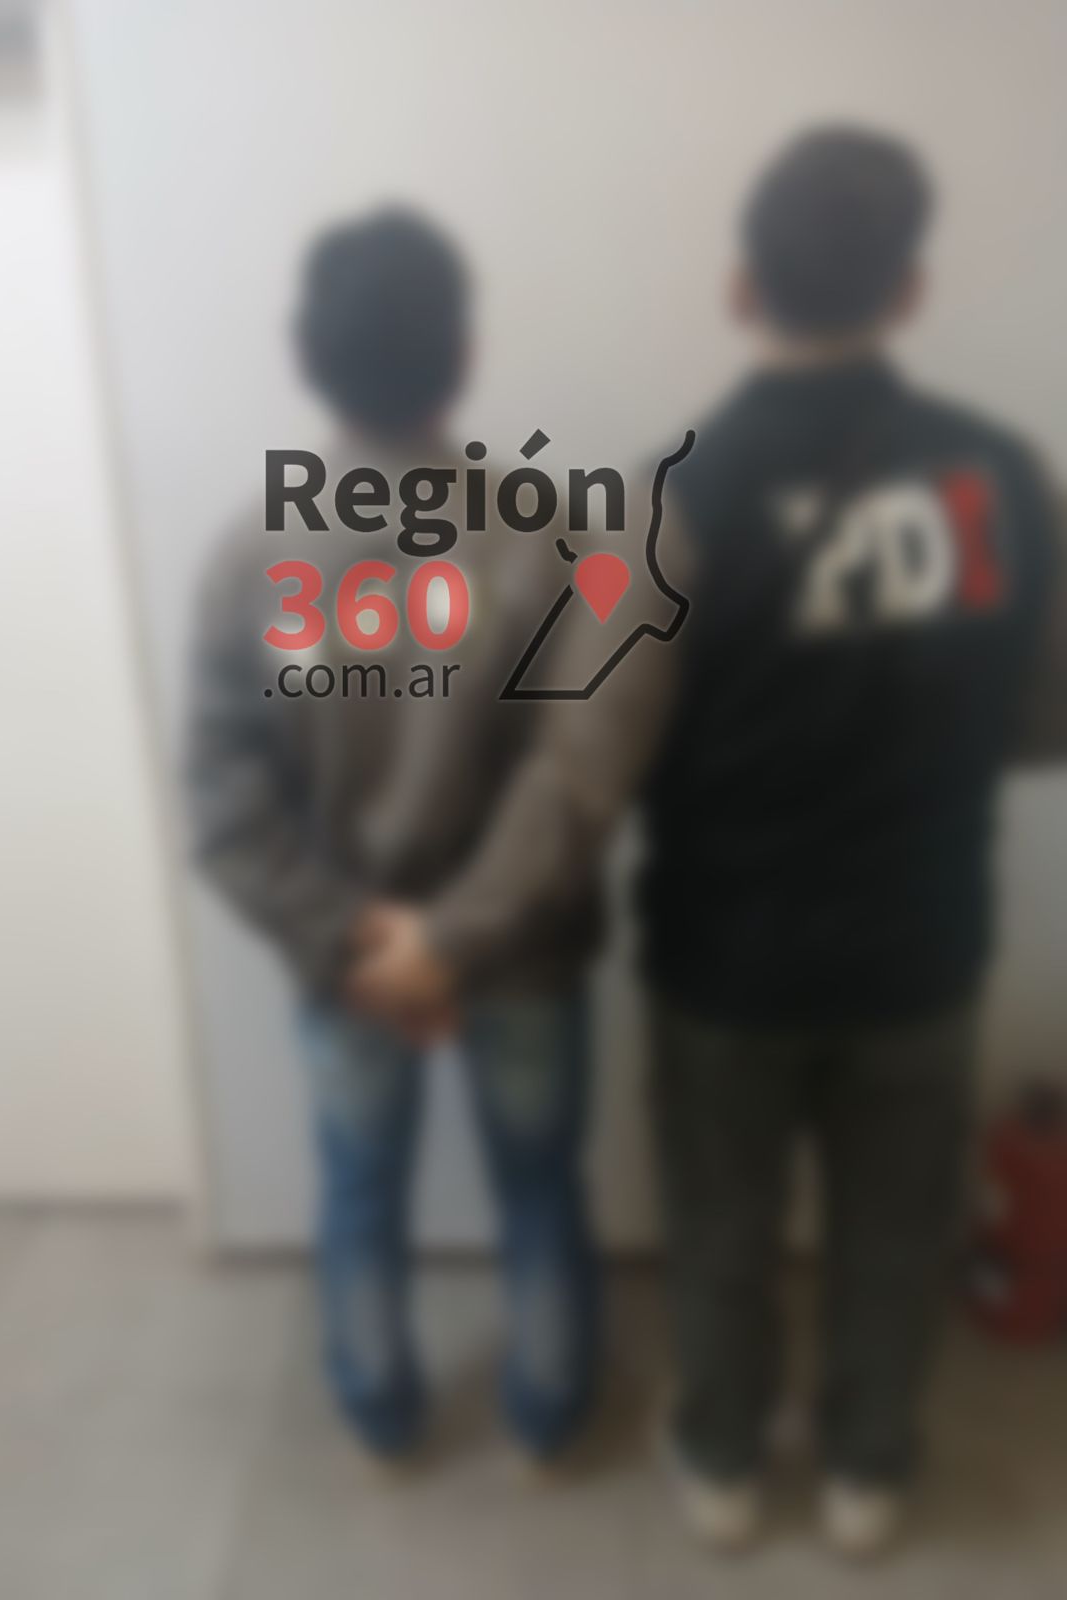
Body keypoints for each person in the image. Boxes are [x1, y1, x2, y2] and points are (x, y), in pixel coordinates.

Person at [353, 129, 1066, 1555]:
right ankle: (868, 1473)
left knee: (724, 1228)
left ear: (741, 288)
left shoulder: (660, 504)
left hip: (729, 967)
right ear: (909, 290)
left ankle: (726, 1462)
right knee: (892, 1233)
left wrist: (447, 933)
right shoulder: (1006, 477)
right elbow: (1043, 722)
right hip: (923, 951)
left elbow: (581, 776)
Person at [185, 209, 602, 1464]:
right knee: (539, 1184)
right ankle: (549, 1411)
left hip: (347, 957)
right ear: (464, 353)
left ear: (305, 359)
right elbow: (575, 770)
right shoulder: (546, 530)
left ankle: (378, 1408)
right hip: (521, 944)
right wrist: (457, 939)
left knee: (359, 1188)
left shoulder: (253, 551)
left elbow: (221, 792)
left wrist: (360, 933)